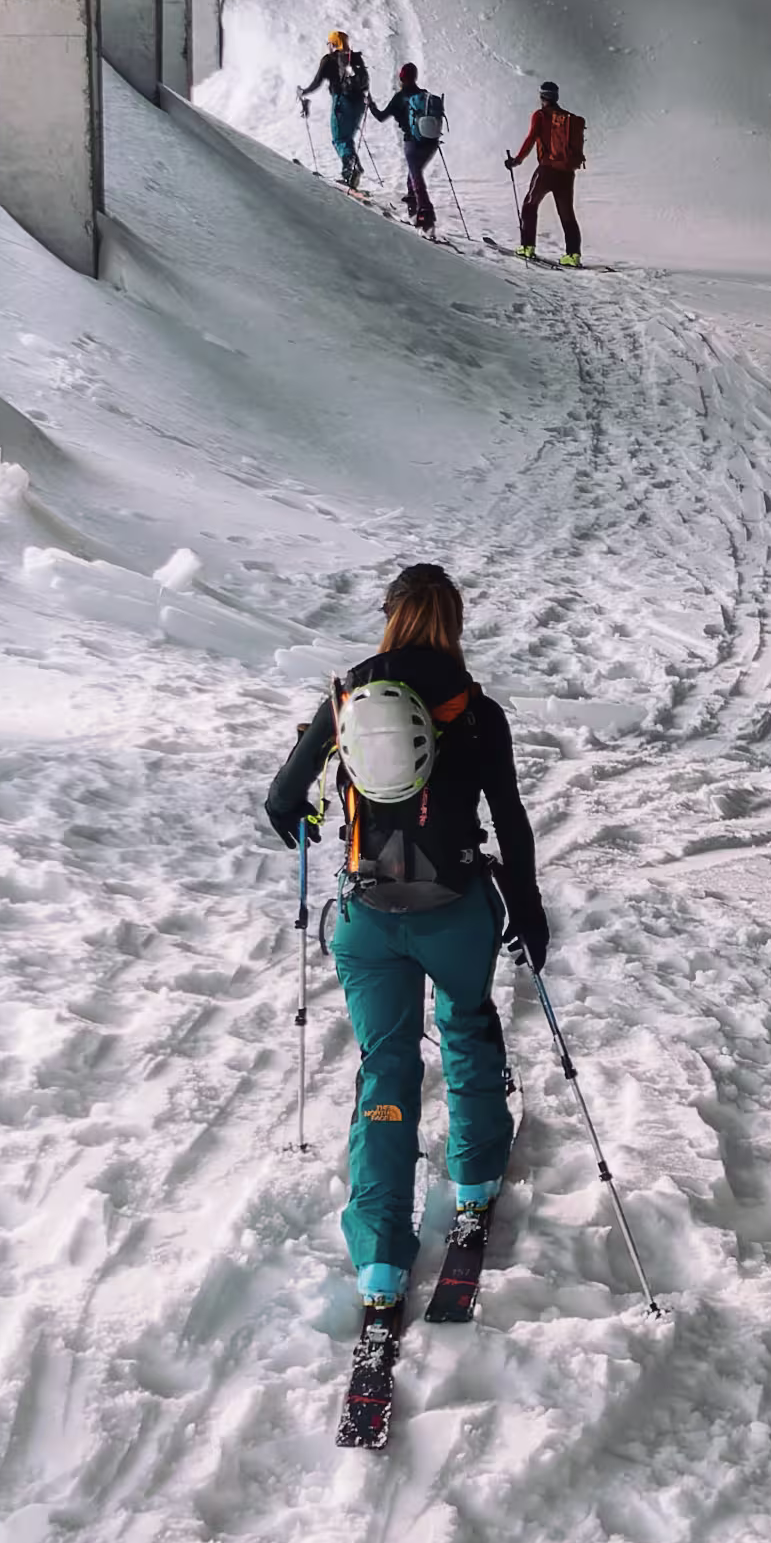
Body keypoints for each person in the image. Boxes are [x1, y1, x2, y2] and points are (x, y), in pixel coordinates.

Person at [261, 562, 549, 1314]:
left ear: (389, 616)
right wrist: (527, 905)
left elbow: (283, 803)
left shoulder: (346, 699)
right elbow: (509, 816)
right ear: (452, 620)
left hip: (366, 917)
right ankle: (477, 1175)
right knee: (466, 1026)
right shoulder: (475, 709)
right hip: (455, 910)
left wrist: (321, 814)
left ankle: (383, 1256)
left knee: (384, 1066)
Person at [507, 78, 587, 265]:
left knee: (530, 204)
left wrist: (517, 160)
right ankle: (573, 256)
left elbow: (531, 138)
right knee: (567, 213)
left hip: (547, 170)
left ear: (542, 97)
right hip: (567, 172)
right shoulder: (568, 118)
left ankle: (527, 247)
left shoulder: (541, 115)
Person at [302, 29, 374, 192]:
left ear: (333, 43)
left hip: (342, 101)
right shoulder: (354, 58)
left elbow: (317, 82)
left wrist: (304, 92)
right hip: (358, 103)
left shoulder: (329, 59)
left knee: (340, 139)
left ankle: (351, 171)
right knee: (347, 138)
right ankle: (351, 172)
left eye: (329, 43)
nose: (328, 46)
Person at [388, 60, 450, 233]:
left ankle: (425, 213)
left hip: (412, 143)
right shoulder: (425, 95)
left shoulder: (401, 97)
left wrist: (370, 105)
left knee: (415, 176)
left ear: (402, 78)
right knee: (413, 176)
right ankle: (414, 211)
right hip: (431, 143)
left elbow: (381, 115)